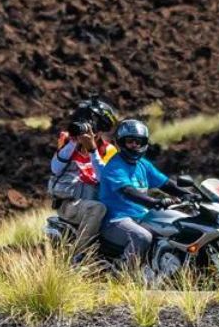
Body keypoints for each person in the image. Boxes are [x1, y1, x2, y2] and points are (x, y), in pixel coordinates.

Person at [96, 117, 173, 270]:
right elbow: (128, 191)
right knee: (142, 237)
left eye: (138, 142)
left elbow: (166, 184)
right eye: (130, 141)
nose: (134, 145)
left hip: (141, 216)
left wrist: (191, 192)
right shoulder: (115, 166)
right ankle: (122, 274)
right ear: (121, 142)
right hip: (116, 220)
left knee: (171, 226)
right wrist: (153, 201)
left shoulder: (143, 164)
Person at [47, 97, 118, 252]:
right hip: (70, 203)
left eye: (96, 130)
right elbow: (55, 169)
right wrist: (73, 143)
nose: (92, 133)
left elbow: (103, 179)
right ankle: (79, 255)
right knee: (97, 209)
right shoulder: (68, 141)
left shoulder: (108, 150)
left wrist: (92, 150)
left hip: (93, 199)